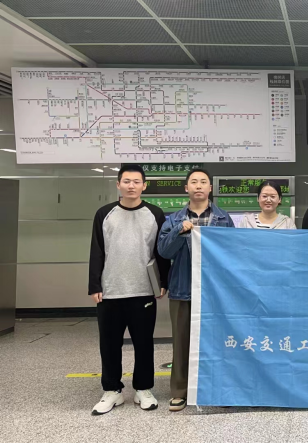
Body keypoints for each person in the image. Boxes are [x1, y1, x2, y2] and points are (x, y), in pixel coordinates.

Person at [88, 164, 169, 415]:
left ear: (144, 185)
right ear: (118, 184)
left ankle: (143, 389)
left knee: (143, 344)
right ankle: (112, 390)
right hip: (110, 291)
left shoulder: (155, 214)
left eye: (136, 182)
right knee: (109, 344)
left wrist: (163, 281)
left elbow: (161, 252)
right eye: (126, 181)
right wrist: (94, 284)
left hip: (143, 291)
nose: (131, 186)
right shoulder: (104, 213)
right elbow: (96, 250)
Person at [157, 168, 234, 412]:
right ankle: (180, 391)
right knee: (181, 342)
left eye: (203, 182)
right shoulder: (173, 220)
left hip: (215, 292)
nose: (198, 186)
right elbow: (164, 252)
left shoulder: (223, 218)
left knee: (218, 341)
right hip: (183, 288)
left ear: (210, 188)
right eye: (194, 182)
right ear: (186, 188)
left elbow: (232, 252)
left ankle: (218, 389)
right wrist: (179, 231)